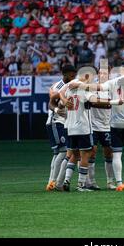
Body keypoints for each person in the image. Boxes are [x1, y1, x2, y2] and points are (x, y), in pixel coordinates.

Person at [60, 68, 122, 192]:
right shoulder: (85, 88)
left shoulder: (69, 87)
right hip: (85, 127)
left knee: (74, 155)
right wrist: (114, 102)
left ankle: (66, 181)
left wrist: (63, 101)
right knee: (86, 155)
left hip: (72, 128)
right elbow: (94, 101)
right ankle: (82, 184)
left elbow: (61, 101)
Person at [45, 64, 76, 192]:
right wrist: (57, 110)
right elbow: (51, 102)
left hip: (62, 122)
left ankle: (51, 182)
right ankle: (55, 182)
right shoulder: (58, 87)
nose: (74, 76)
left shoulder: (70, 85)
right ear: (66, 74)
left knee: (58, 153)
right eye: (72, 74)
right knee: (63, 151)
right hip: (56, 121)